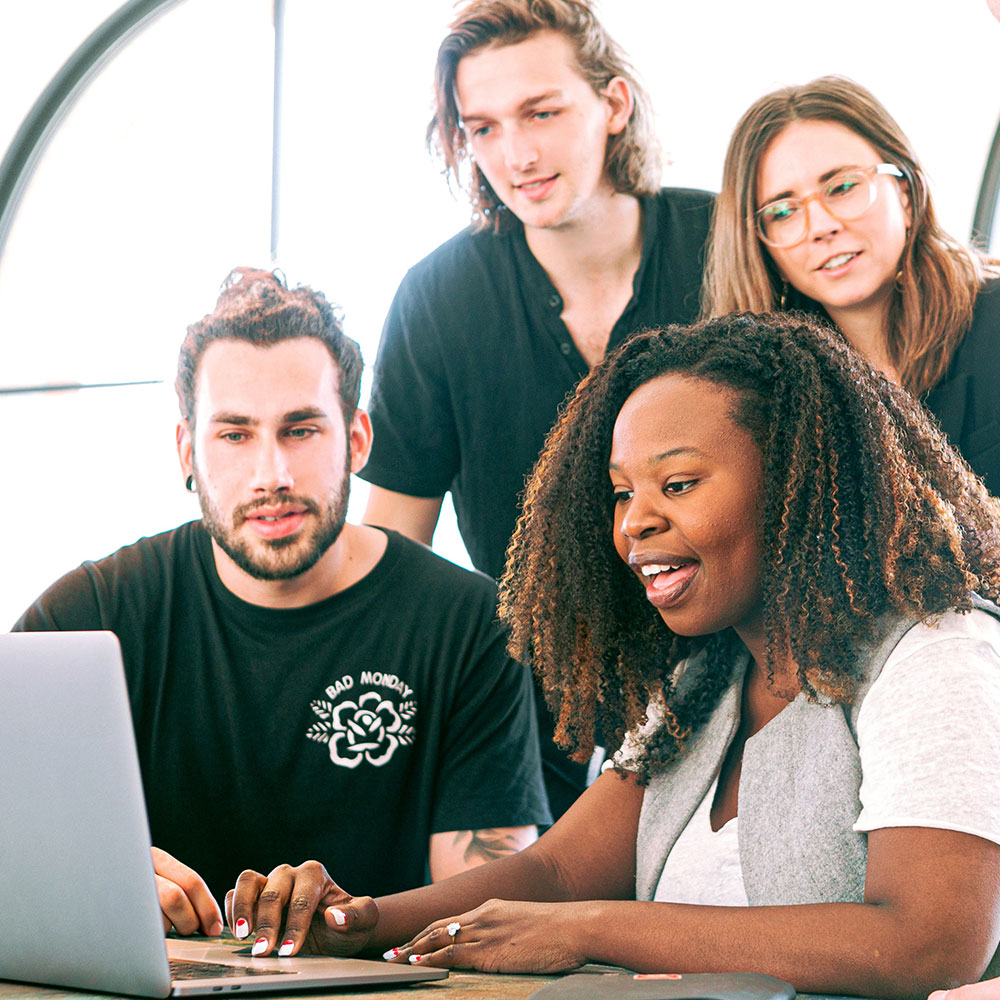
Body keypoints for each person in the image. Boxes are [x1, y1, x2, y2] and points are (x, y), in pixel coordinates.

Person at [224, 313, 1000, 997]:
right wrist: (356, 924)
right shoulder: (709, 679)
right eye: (623, 492)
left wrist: (594, 930)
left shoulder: (936, 654)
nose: (635, 525)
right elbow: (553, 874)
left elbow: (930, 942)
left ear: (795, 481)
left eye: (680, 483)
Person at [13, 268, 550, 939]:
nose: (272, 475)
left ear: (357, 439)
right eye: (234, 435)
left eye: (301, 430)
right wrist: (96, 875)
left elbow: (486, 920)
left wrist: (355, 923)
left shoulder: (467, 622)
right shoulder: (88, 615)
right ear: (187, 450)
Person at [360, 0, 714, 817]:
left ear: (613, 105)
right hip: (536, 719)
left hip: (745, 684)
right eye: (481, 128)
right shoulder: (437, 297)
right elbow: (391, 558)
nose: (514, 154)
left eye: (541, 113)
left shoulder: (724, 240)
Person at [702, 75, 1000, 494]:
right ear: (763, 249)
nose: (820, 226)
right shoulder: (762, 395)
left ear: (907, 196)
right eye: (783, 212)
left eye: (842, 187)